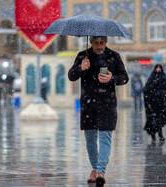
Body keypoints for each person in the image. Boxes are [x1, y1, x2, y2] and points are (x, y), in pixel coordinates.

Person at [68, 36, 129, 186]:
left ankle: (100, 171)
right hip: (88, 104)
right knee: (90, 139)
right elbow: (71, 76)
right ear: (91, 43)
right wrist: (80, 68)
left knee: (104, 137)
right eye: (96, 43)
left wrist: (111, 79)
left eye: (102, 43)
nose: (99, 46)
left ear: (106, 42)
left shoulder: (114, 57)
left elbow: (124, 77)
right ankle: (95, 169)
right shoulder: (83, 56)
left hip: (107, 104)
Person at [143, 64, 166, 143]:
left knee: (159, 120)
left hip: (161, 104)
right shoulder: (152, 78)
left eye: (159, 68)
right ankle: (153, 135)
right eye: (157, 68)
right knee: (153, 120)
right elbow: (147, 89)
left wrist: (163, 96)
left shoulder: (164, 77)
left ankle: (160, 135)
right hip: (153, 104)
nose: (158, 69)